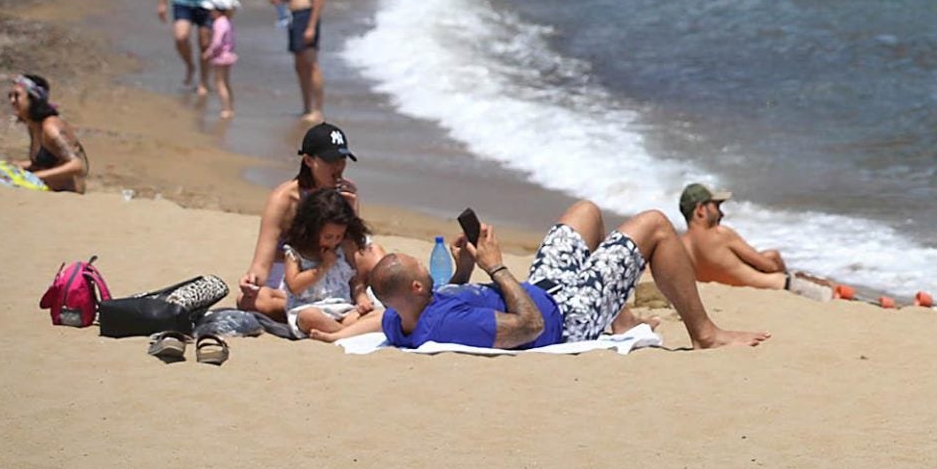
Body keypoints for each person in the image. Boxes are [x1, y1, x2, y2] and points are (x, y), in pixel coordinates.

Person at [358, 199, 766, 351]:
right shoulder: (450, 323)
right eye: (421, 270)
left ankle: (619, 317)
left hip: (542, 288)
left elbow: (451, 296)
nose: (426, 270)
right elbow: (529, 327)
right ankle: (705, 334)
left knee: (585, 212)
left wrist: (465, 265)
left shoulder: (401, 317)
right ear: (415, 287)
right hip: (566, 317)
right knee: (656, 224)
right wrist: (495, 265)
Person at [239, 123, 358, 317]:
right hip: (294, 273)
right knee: (249, 300)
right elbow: (262, 261)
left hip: (333, 270)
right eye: (330, 160)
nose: (338, 166)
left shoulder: (345, 195)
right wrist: (252, 281)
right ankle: (326, 310)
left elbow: (352, 251)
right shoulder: (284, 199)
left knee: (374, 253)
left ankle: (322, 310)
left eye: (342, 158)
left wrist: (351, 211)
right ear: (309, 160)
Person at [279, 187, 384, 341]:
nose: (334, 241)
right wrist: (323, 267)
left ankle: (339, 333)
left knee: (381, 315)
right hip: (311, 310)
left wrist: (361, 297)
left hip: (344, 310)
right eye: (328, 236)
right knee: (309, 316)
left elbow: (355, 279)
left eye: (338, 236)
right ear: (312, 229)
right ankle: (345, 334)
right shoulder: (296, 252)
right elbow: (294, 285)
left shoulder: (344, 247)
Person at [680, 183, 790, 290]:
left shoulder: (680, 246)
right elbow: (770, 267)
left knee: (770, 254)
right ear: (701, 209)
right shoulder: (720, 234)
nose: (721, 214)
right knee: (774, 256)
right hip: (776, 285)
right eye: (716, 206)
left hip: (727, 292)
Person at [271, 0, 327, 121]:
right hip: (295, 16)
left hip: (306, 16)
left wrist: (311, 26)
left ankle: (317, 109)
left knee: (311, 64)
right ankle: (306, 106)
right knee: (299, 65)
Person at [10, 73, 88, 192]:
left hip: (69, 196)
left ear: (33, 99)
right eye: (10, 96)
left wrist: (33, 177)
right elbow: (49, 163)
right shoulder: (34, 125)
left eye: (17, 96)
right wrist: (19, 165)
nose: (12, 101)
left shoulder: (50, 128)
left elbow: (77, 166)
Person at [202, 0, 240, 117]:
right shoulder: (227, 22)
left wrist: (209, 52)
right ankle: (230, 106)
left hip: (220, 57)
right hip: (228, 55)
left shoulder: (219, 23)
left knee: (220, 83)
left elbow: (217, 41)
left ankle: (226, 109)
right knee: (226, 82)